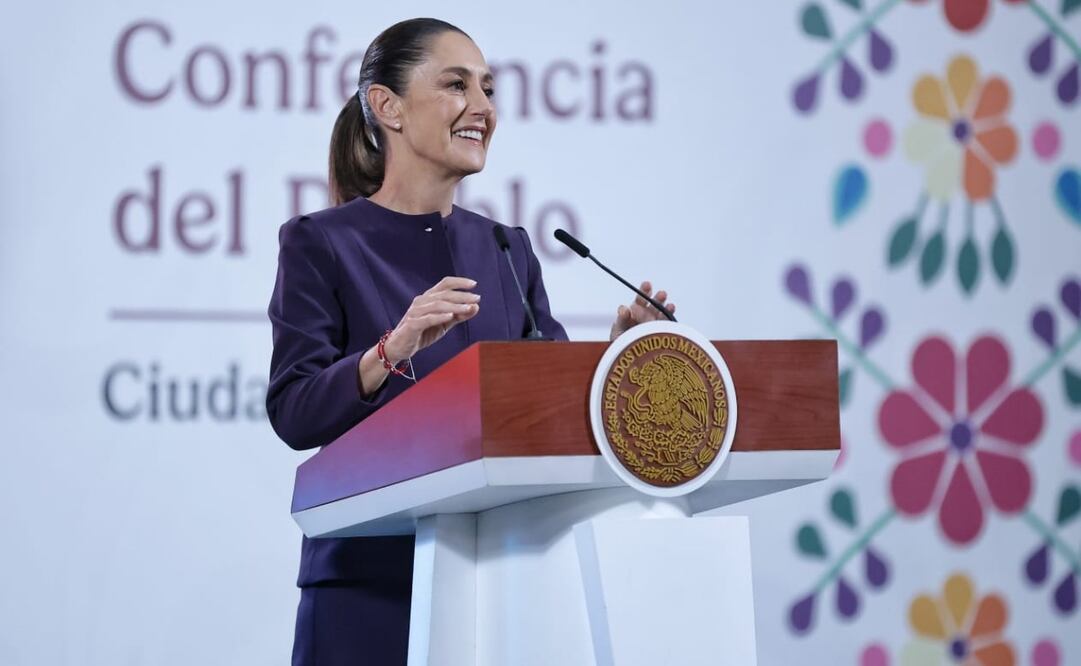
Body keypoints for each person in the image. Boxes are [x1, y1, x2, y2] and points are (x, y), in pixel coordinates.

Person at [266, 17, 676, 666]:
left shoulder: (508, 247)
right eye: (456, 85)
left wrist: (615, 359)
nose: (482, 108)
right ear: (387, 107)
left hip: (504, 587)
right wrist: (390, 350)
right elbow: (293, 410)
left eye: (487, 89)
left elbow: (547, 414)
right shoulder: (321, 242)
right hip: (368, 586)